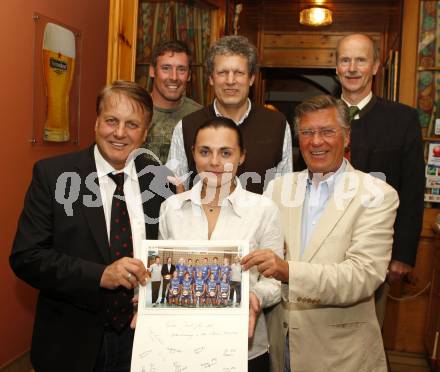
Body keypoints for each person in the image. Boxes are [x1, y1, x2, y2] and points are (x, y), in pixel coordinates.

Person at [9, 81, 174, 372]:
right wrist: (100, 275)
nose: (120, 133)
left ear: (145, 133)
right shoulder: (55, 175)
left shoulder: (161, 184)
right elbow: (27, 256)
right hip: (72, 342)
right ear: (96, 122)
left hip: (143, 341)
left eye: (132, 124)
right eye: (112, 120)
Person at [241, 95, 399, 372]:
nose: (316, 141)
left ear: (347, 137)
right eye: (307, 132)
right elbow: (255, 261)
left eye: (327, 131)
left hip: (341, 354)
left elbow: (362, 277)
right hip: (278, 348)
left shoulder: (377, 194)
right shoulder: (277, 189)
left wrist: (288, 270)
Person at [159, 117, 283, 371]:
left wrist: (254, 296)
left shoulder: (263, 210)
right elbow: (163, 272)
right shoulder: (171, 208)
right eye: (205, 151)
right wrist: (151, 296)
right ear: (193, 153)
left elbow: (275, 281)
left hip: (244, 351)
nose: (214, 162)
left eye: (225, 152)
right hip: (179, 346)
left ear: (242, 157)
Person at [335, 33, 425, 325]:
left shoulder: (402, 119)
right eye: (345, 60)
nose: (352, 68)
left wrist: (403, 254)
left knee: (365, 337)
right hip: (321, 251)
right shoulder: (317, 116)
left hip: (376, 252)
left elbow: (412, 190)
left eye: (360, 60)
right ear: (336, 67)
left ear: (375, 67)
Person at [167, 35, 293, 194]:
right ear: (211, 78)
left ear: (252, 78)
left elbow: (285, 192)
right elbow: (175, 190)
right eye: (222, 72)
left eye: (239, 72)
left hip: (260, 219)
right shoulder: (187, 126)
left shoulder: (277, 125)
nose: (230, 80)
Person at [144, 40, 202, 164]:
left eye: (181, 69)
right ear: (152, 71)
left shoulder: (199, 116)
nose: (174, 77)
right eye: (166, 68)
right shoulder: (135, 110)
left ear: (189, 75)